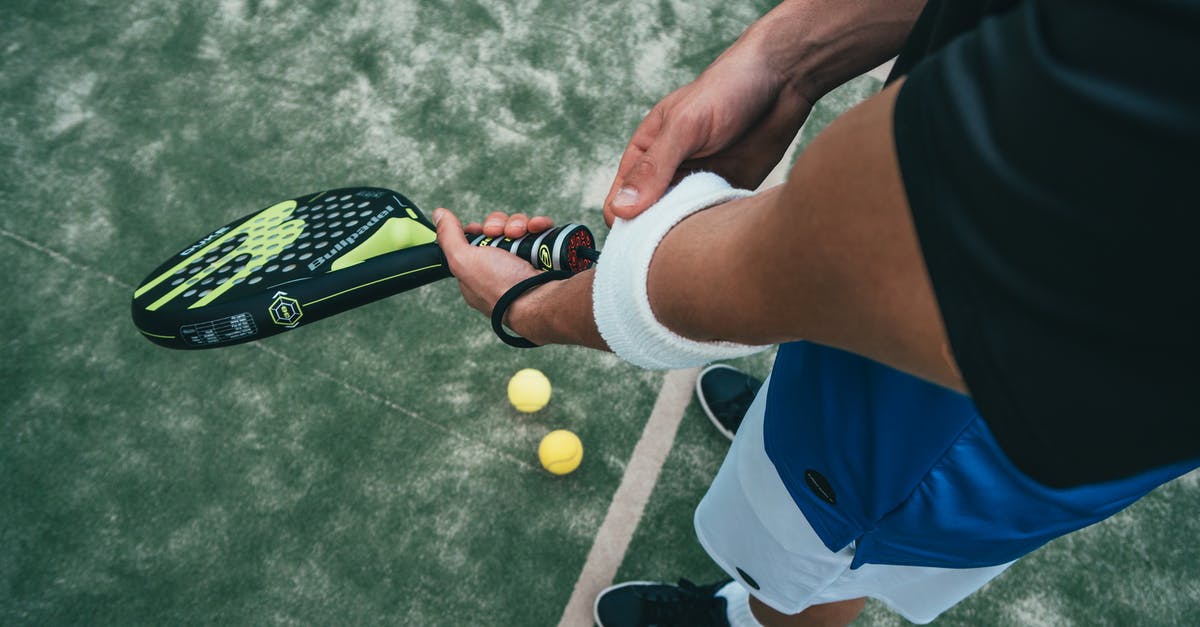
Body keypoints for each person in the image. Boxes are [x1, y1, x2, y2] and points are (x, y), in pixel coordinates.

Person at [432, 0, 1200, 625]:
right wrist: (786, 55)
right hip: (963, 326)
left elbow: (819, 261)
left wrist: (528, 308)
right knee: (810, 424)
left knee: (819, 553)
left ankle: (754, 616)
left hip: (949, 426)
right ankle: (789, 424)